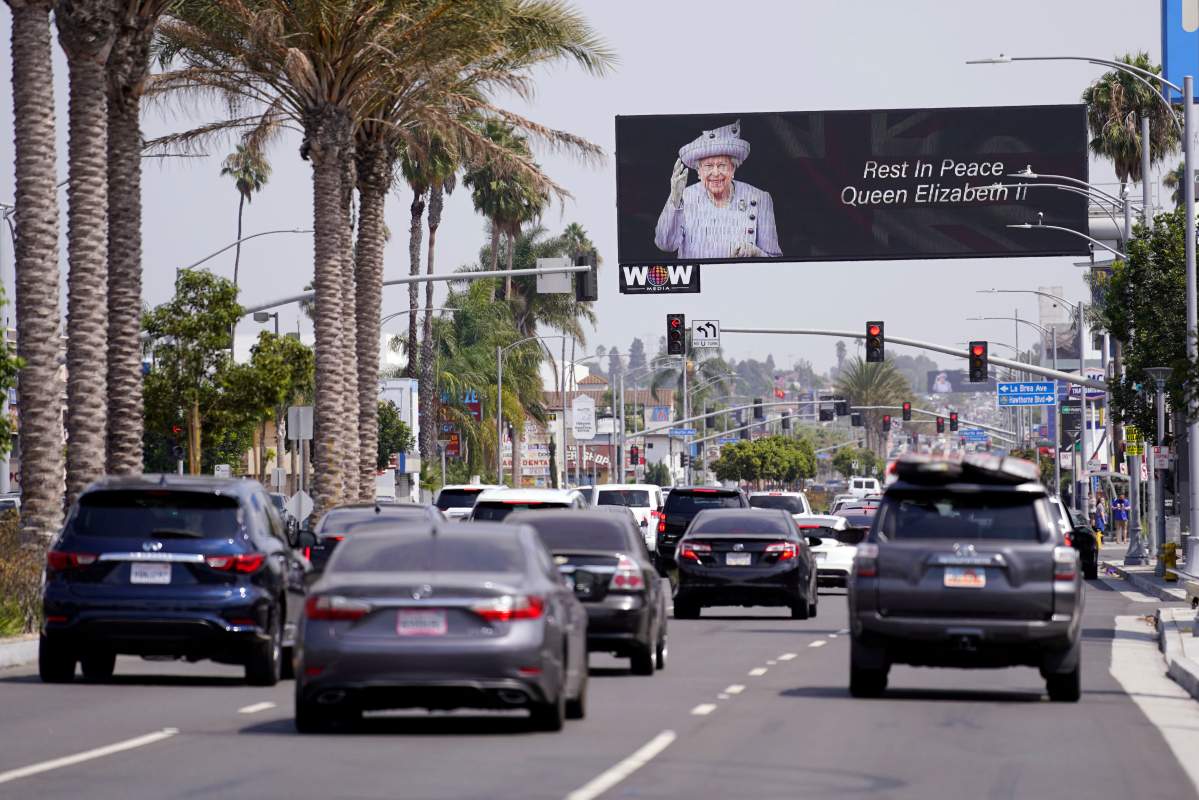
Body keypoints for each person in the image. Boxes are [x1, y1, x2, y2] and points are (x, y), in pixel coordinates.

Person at [654, 120, 782, 260]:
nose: (715, 173)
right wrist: (674, 199)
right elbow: (665, 244)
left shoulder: (760, 199)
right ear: (699, 171)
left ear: (733, 168)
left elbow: (775, 261)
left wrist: (756, 253)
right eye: (708, 166)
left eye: (722, 165)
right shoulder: (684, 197)